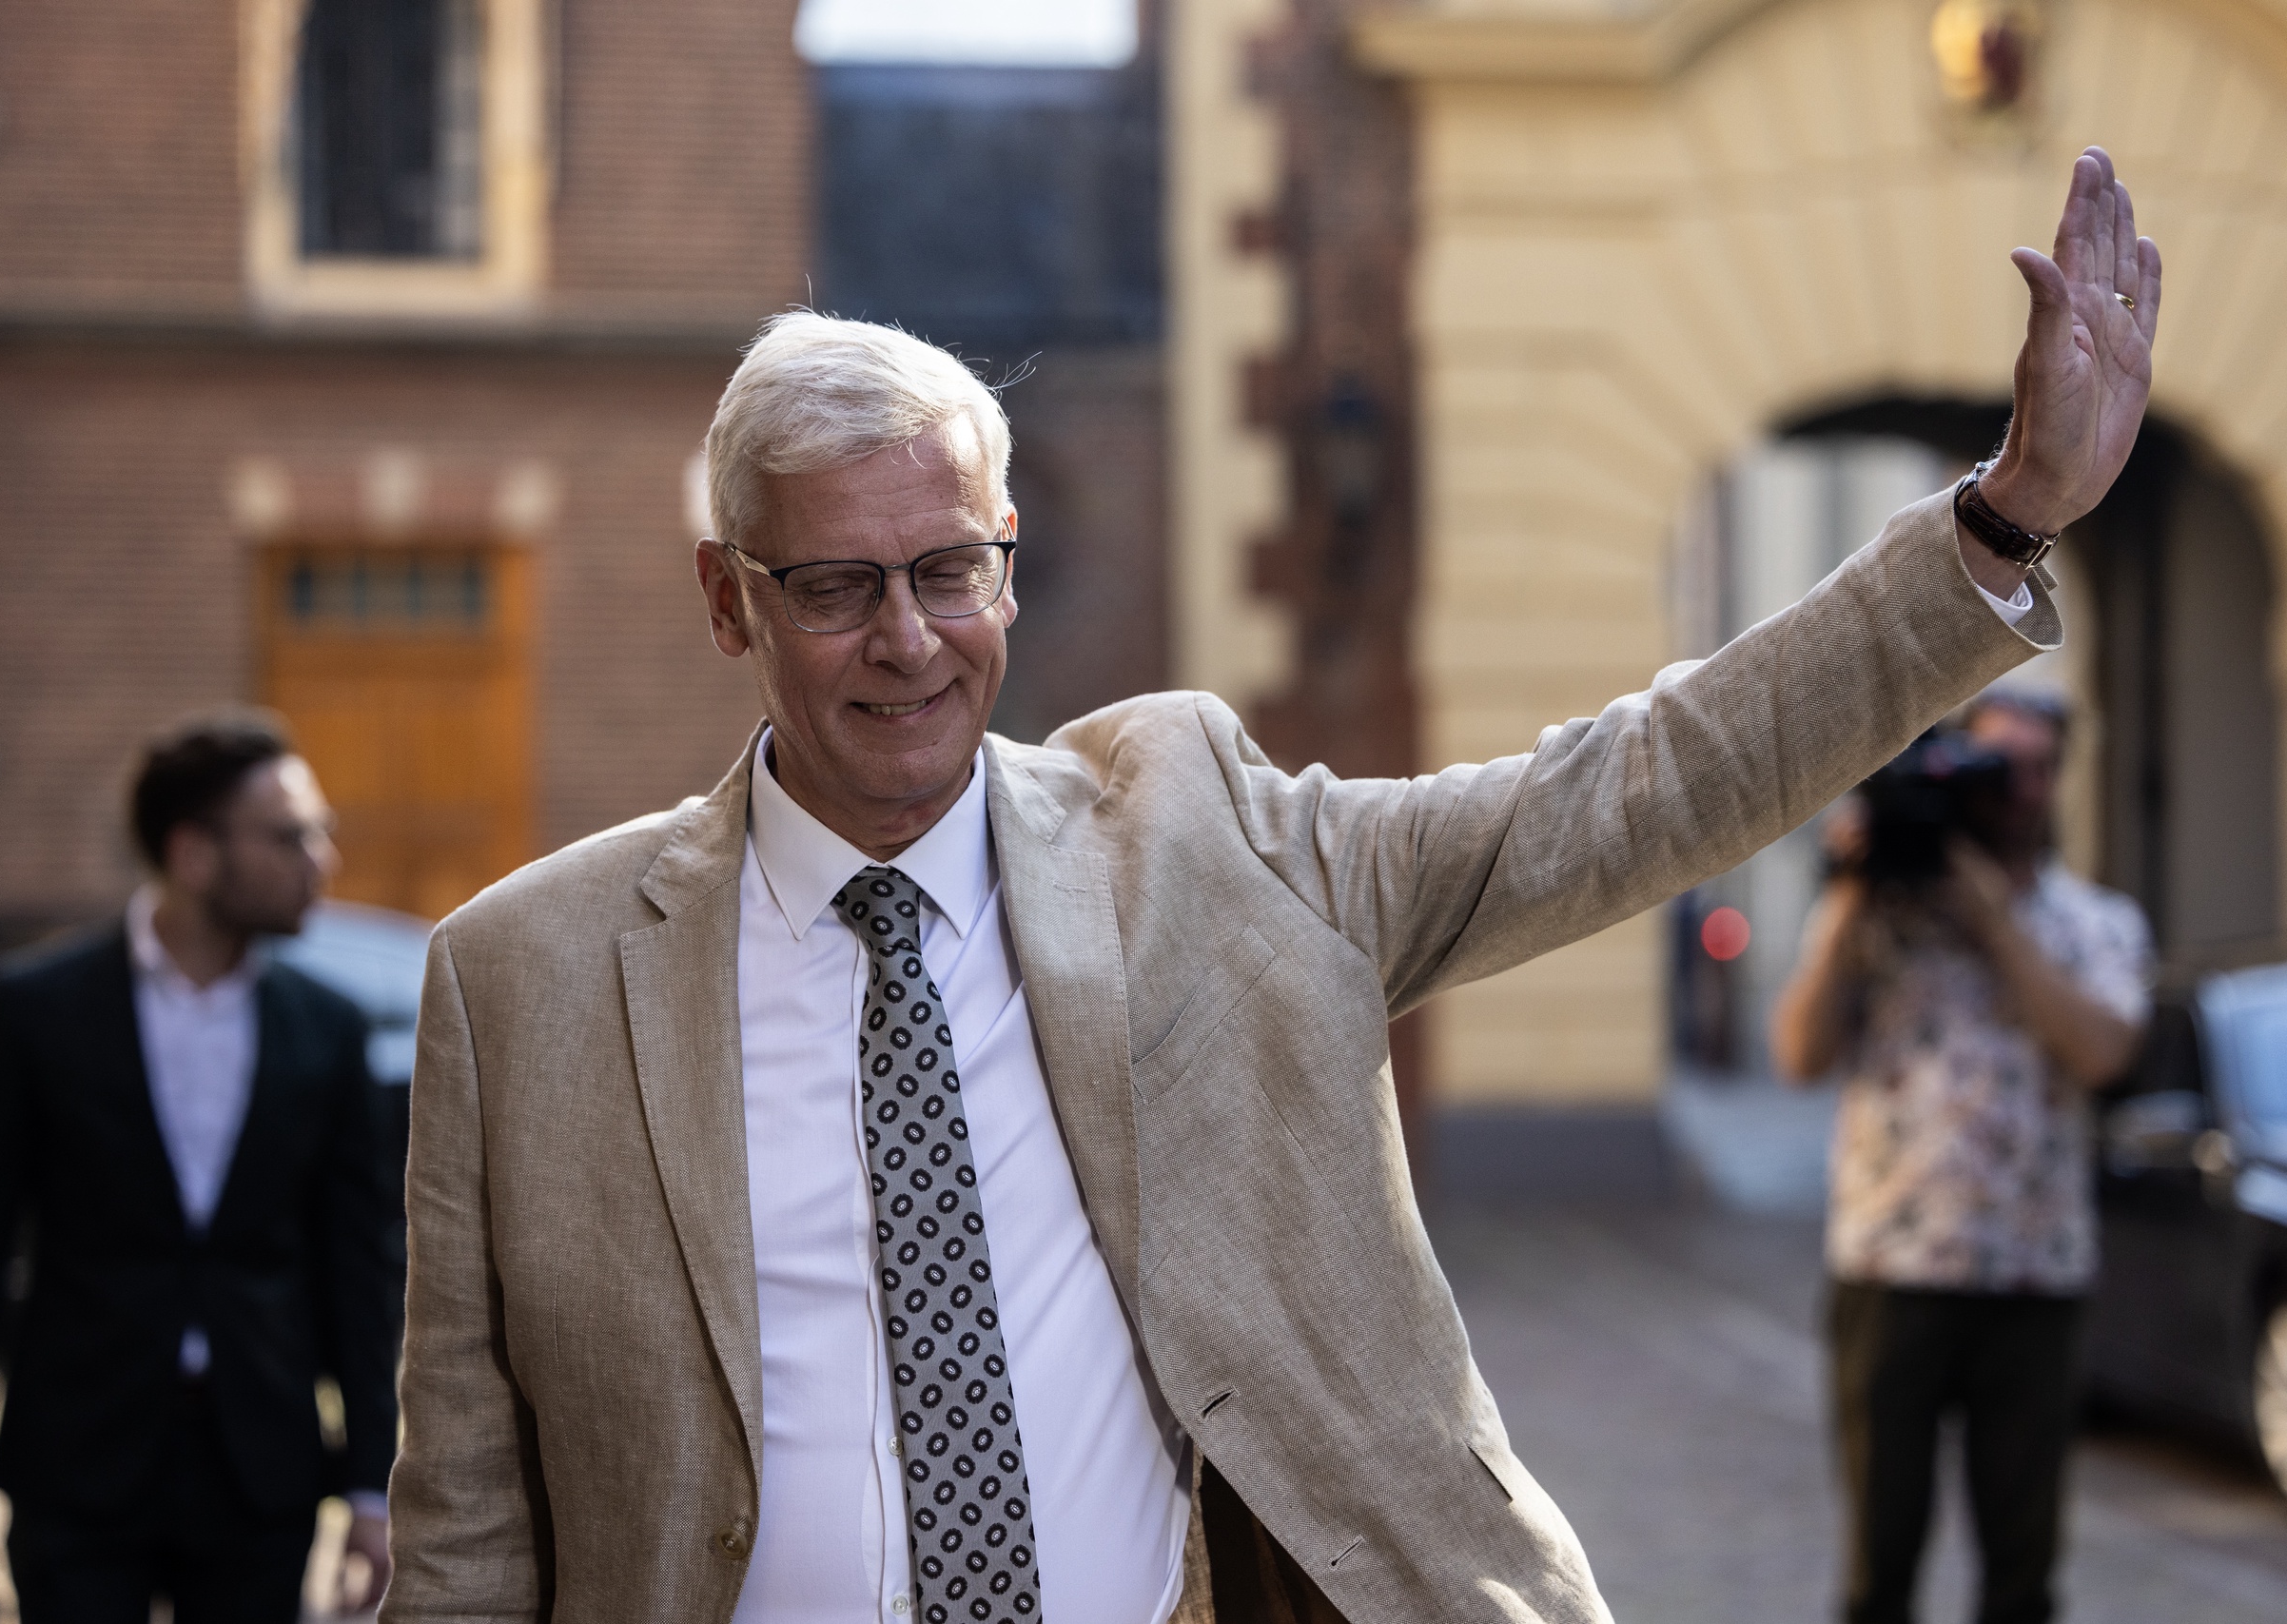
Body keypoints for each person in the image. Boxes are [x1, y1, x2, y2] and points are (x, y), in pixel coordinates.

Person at [385, 149, 2159, 1623]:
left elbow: (1633, 786)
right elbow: (466, 1530)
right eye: (839, 587)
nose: (908, 639)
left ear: (1008, 569)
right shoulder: (522, 983)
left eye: (949, 570)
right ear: (728, 600)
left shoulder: (1206, 845)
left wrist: (1998, 524)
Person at [0, 713, 402, 1624]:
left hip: (260, 1470)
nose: (322, 860)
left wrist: (373, 1488)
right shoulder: (37, 1011)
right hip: (77, 1463)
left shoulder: (325, 1029)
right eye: (290, 835)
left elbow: (359, 1273)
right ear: (192, 852)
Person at [1770, 689, 2151, 1624]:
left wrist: (1993, 925)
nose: (2014, 789)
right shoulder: (1878, 913)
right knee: (1878, 1571)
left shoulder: (2096, 924)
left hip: (2033, 1276)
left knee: (2021, 1577)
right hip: (1888, 1271)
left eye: (2034, 766)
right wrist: (1854, 897)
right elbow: (1797, 1056)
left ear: (2060, 776)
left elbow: (2101, 1053)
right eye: (1993, 765)